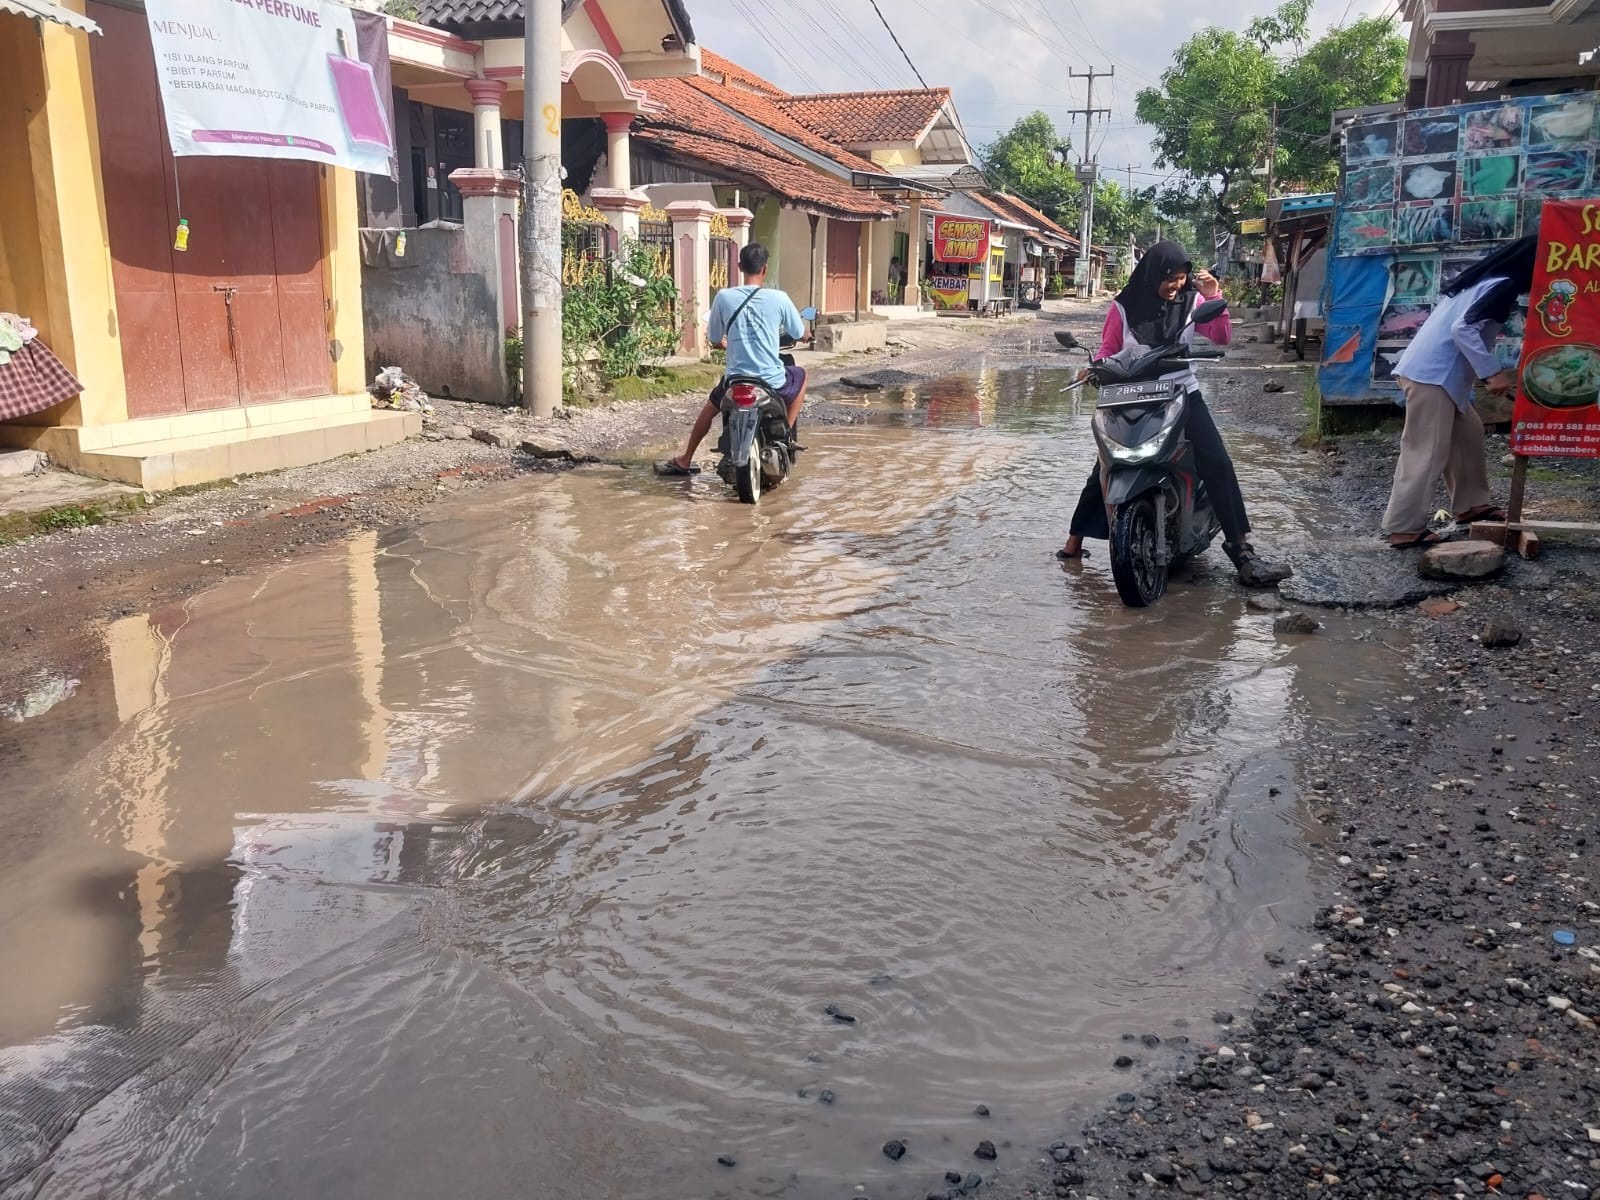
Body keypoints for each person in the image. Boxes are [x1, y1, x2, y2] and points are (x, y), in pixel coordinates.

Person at [1056, 241, 1291, 587]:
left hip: (1181, 392)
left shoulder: (1192, 302)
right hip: (1130, 395)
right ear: (1153, 275)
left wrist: (1213, 296)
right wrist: (1092, 368)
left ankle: (1242, 550)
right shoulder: (1122, 307)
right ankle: (1074, 542)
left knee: (1218, 461)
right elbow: (1108, 350)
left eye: (1181, 278)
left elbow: (1221, 336)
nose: (1176, 286)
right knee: (1108, 463)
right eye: (1170, 279)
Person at [1381, 235, 1536, 547]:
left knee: (1468, 433)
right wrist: (1492, 372)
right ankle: (1403, 528)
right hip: (1432, 376)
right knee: (1425, 451)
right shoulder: (1501, 285)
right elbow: (1462, 329)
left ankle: (1471, 504)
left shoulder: (1488, 280)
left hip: (1437, 375)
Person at [657, 242, 809, 477]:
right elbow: (799, 333)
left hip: (735, 380)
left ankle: (686, 459)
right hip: (771, 380)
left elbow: (715, 338)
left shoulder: (724, 297)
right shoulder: (779, 298)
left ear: (739, 266)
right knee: (802, 376)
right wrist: (806, 335)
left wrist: (727, 344)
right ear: (765, 269)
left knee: (709, 408)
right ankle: (785, 433)